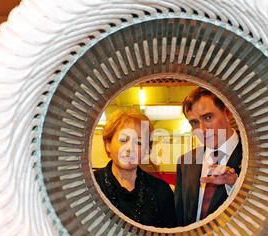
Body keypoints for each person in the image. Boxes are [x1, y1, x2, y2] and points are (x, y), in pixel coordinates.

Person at [94, 109, 176, 228]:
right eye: (123, 140)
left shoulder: (161, 191)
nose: (129, 148)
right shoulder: (91, 185)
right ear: (108, 145)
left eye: (138, 142)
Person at [174, 87, 242, 226]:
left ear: (227, 113)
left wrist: (235, 185)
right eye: (194, 122)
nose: (202, 129)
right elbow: (178, 216)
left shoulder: (254, 157)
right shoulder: (185, 162)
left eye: (208, 117)